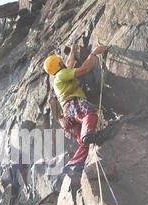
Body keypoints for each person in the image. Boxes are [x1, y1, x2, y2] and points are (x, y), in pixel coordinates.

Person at [44, 44, 106, 176]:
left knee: (85, 143)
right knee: (90, 116)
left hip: (68, 117)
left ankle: (74, 164)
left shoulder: (59, 76)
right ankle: (86, 133)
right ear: (59, 65)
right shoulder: (61, 75)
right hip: (74, 105)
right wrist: (94, 53)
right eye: (61, 62)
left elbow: (69, 64)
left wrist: (72, 51)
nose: (64, 62)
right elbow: (84, 69)